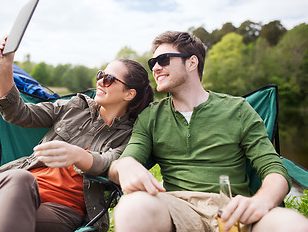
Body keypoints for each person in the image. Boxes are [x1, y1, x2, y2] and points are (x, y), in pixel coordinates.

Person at [108, 31, 308, 232]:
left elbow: (274, 168)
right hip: (176, 209)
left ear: (192, 63)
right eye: (153, 63)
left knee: (291, 223)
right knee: (132, 207)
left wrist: (262, 201)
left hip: (233, 210)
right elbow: (122, 164)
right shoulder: (151, 116)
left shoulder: (238, 109)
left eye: (164, 59)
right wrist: (124, 165)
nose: (156, 67)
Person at [0, 37, 154, 232]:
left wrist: (78, 155)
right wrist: (4, 67)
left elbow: (111, 164)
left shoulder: (130, 135)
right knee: (20, 178)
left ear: (129, 94)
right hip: (13, 187)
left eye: (109, 79)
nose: (100, 81)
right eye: (101, 75)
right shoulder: (73, 107)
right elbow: (19, 114)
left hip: (62, 208)